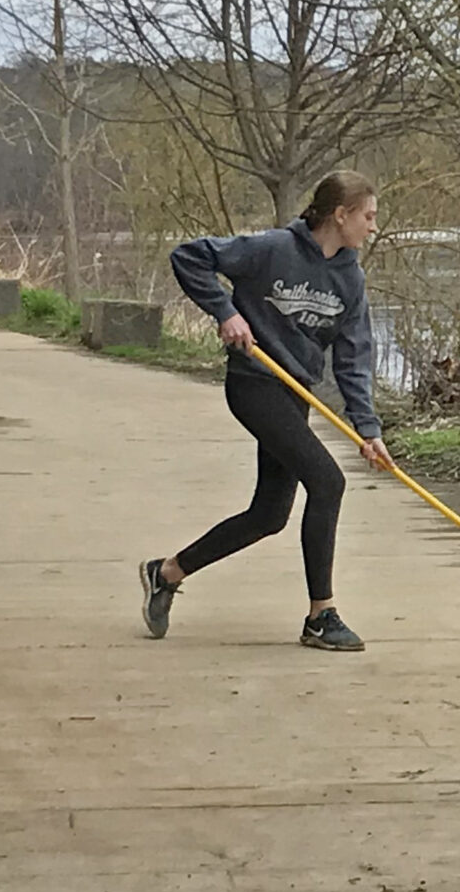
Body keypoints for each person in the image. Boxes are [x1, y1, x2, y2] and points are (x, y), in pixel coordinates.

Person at [139, 170, 395, 652]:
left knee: (269, 515)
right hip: (254, 383)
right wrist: (226, 312)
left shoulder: (350, 278)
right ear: (341, 215)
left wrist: (367, 428)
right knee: (328, 482)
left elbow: (353, 358)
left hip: (295, 392)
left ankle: (167, 573)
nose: (373, 226)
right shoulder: (272, 249)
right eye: (368, 216)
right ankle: (321, 616)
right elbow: (189, 257)